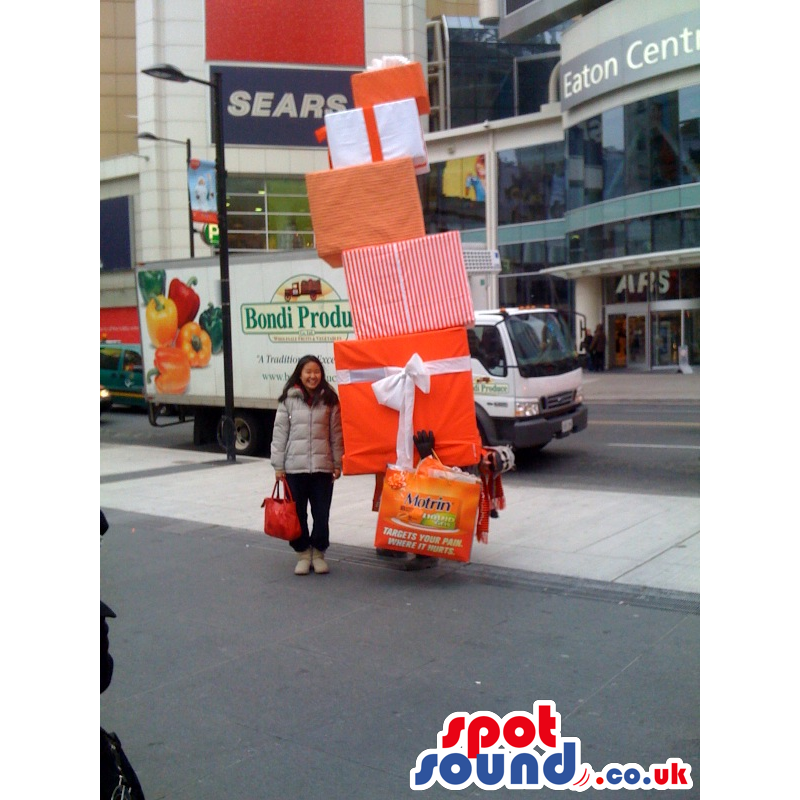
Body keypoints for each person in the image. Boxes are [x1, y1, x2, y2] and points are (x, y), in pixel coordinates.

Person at [271, 355, 344, 575]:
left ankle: (319, 552)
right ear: (300, 374)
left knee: (321, 514)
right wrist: (278, 466)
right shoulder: (288, 400)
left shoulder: (330, 400)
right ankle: (303, 553)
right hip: (295, 469)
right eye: (308, 372)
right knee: (298, 514)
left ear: (321, 374)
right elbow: (280, 434)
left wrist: (338, 463)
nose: (312, 376)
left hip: (323, 468)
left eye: (316, 372)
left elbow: (336, 434)